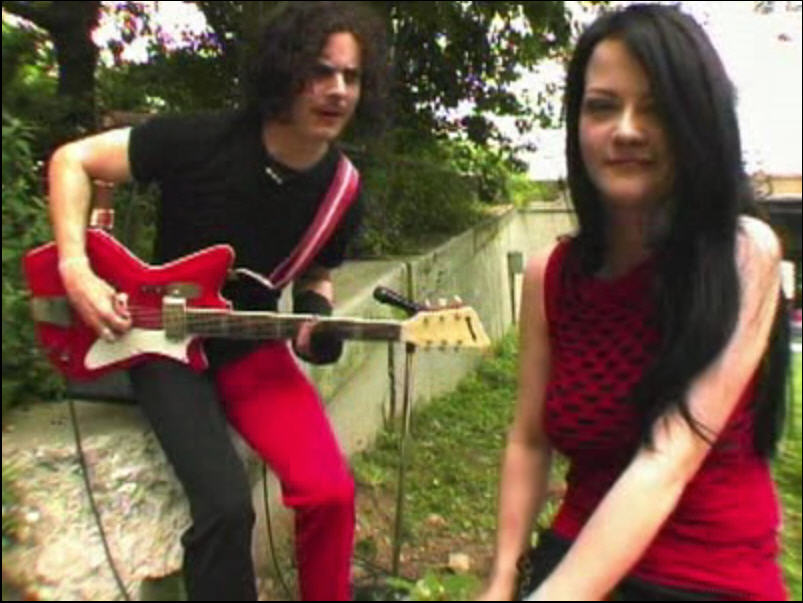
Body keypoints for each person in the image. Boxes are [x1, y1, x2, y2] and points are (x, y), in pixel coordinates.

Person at [47, 2, 387, 600]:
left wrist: (317, 319)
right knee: (227, 507)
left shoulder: (343, 191)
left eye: (351, 77)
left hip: (250, 348)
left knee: (330, 491)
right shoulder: (201, 140)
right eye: (320, 71)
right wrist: (75, 268)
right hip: (160, 342)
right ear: (284, 71)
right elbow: (71, 160)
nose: (338, 90)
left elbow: (317, 277)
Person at [480, 4, 790, 601]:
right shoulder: (550, 275)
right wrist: (501, 580)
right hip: (577, 551)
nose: (626, 129)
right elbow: (528, 439)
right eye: (602, 107)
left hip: (708, 580)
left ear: (696, 123)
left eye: (656, 109)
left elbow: (666, 460)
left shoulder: (743, 254)